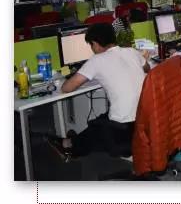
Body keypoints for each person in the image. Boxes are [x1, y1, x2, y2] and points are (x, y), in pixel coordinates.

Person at [48, 23, 148, 159]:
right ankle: (72, 143)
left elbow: (66, 88)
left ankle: (70, 147)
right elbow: (147, 68)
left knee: (97, 125)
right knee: (102, 118)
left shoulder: (97, 60)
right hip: (146, 120)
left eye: (91, 45)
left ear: (95, 43)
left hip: (124, 129)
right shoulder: (131, 51)